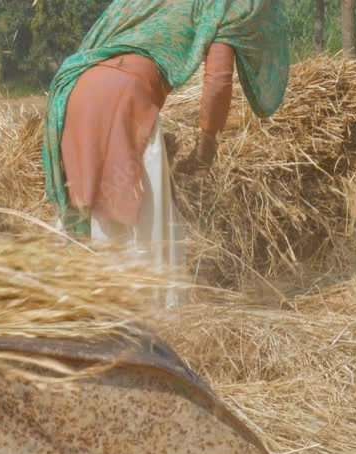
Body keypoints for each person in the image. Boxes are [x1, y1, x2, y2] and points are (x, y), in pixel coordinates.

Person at [42, 0, 290, 304]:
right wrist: (206, 149)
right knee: (143, 217)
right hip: (123, 97)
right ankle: (143, 313)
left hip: (76, 89)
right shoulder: (231, 4)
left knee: (90, 201)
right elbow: (218, 81)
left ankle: (70, 297)